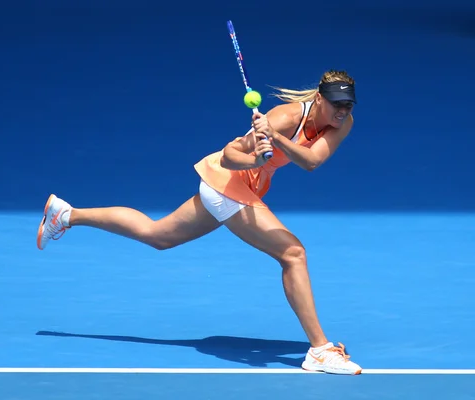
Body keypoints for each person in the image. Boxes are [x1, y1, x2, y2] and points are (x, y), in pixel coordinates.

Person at [36, 69, 362, 375]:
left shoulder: (340, 123)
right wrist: (255, 156)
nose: (342, 111)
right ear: (319, 99)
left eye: (348, 105)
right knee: (293, 253)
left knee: (158, 235)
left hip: (244, 188)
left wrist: (276, 140)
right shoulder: (286, 116)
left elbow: (312, 162)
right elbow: (228, 156)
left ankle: (66, 214)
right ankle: (319, 349)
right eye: (337, 104)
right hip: (227, 184)